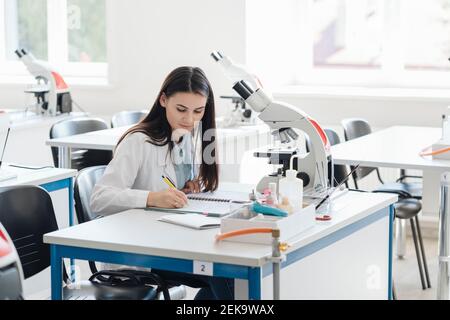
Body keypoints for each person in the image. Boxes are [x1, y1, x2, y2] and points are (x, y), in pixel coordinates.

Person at [90, 66, 233, 300]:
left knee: (230, 271)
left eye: (198, 111)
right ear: (163, 100)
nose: (189, 119)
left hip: (167, 239)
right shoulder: (138, 141)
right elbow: (99, 198)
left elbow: (166, 181)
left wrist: (184, 189)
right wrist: (151, 197)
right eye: (181, 109)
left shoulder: (182, 136)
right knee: (225, 273)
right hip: (140, 253)